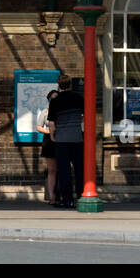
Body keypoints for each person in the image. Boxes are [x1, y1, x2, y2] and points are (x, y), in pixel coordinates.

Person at [47, 75, 84, 209]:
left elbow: (51, 123)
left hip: (61, 140)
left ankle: (67, 200)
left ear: (59, 85)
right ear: (70, 84)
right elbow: (85, 117)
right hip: (77, 139)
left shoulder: (55, 101)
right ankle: (81, 196)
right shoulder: (79, 98)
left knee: (64, 171)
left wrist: (52, 137)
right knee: (79, 169)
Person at [37, 89, 59, 203]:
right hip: (49, 142)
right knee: (51, 170)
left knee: (62, 169)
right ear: (49, 100)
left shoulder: (62, 112)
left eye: (56, 98)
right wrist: (49, 132)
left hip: (61, 140)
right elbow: (39, 127)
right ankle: (51, 196)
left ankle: (61, 194)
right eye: (52, 98)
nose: (54, 100)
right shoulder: (45, 112)